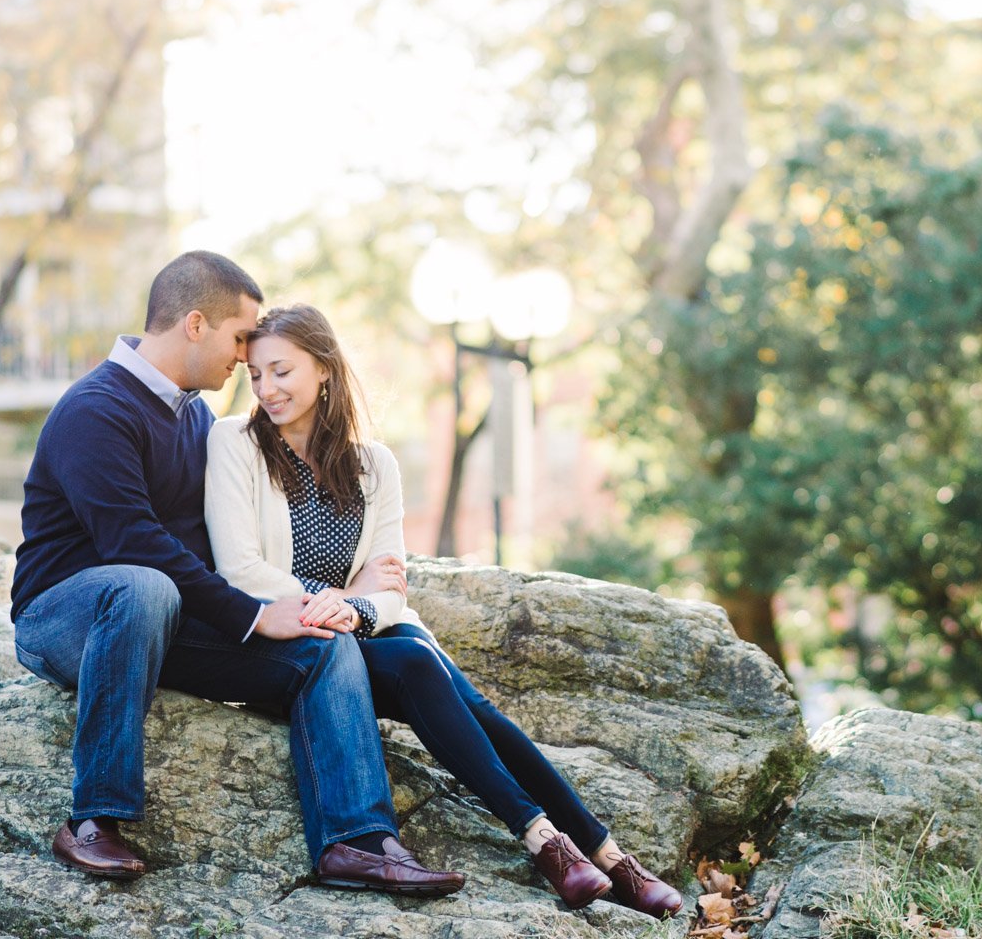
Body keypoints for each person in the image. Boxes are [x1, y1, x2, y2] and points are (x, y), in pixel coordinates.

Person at [205, 304, 685, 919]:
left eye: (281, 371)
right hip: (298, 643)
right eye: (256, 375)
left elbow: (391, 592)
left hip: (364, 633)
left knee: (460, 695)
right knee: (416, 661)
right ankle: (562, 844)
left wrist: (355, 604)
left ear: (324, 368)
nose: (266, 389)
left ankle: (599, 855)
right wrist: (339, 599)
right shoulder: (236, 444)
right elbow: (240, 569)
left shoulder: (374, 466)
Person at [10, 252, 463, 896]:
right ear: (195, 325)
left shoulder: (195, 417)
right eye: (240, 337)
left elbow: (211, 543)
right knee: (142, 583)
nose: (245, 360)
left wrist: (324, 601)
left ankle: (356, 840)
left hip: (163, 624)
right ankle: (93, 819)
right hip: (65, 619)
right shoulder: (95, 409)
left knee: (318, 640)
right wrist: (251, 616)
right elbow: (130, 542)